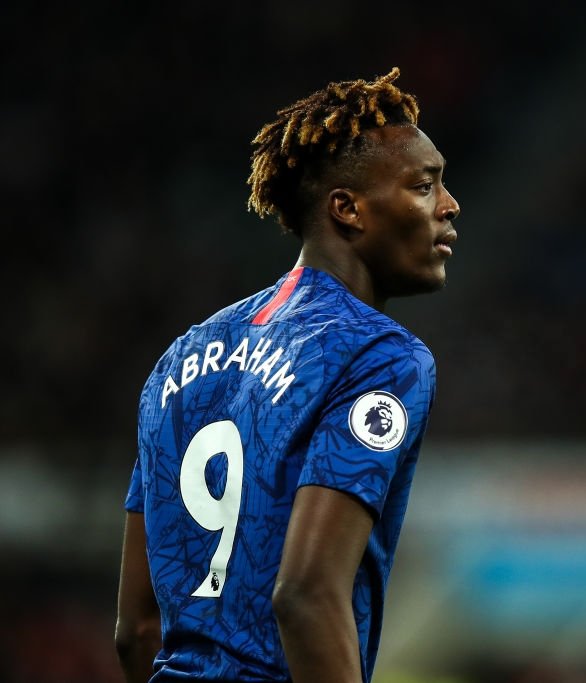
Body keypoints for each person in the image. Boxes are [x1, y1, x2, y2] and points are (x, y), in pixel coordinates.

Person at [114, 67, 460, 683]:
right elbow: (305, 595)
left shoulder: (179, 361)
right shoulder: (378, 357)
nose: (449, 205)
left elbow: (136, 630)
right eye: (423, 185)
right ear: (347, 209)